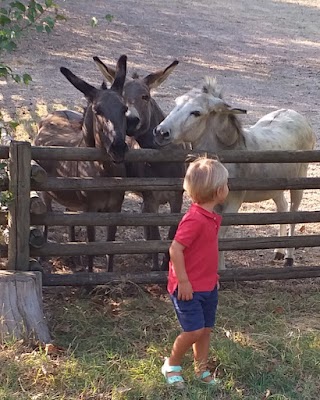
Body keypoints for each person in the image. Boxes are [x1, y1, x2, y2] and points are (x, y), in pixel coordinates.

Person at [161, 156, 229, 389]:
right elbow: (175, 249)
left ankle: (201, 369)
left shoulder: (209, 218)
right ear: (220, 191)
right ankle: (171, 364)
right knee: (194, 330)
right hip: (187, 288)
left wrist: (213, 277)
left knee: (206, 330)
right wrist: (183, 281)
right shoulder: (195, 219)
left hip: (207, 285)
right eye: (227, 184)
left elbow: (204, 253)